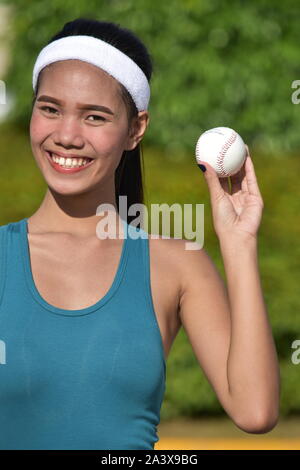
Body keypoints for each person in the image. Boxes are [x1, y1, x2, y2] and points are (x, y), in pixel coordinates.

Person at [0, 17, 280, 451]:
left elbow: (255, 411)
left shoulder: (177, 263)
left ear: (136, 129)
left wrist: (239, 244)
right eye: (50, 109)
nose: (67, 136)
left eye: (95, 116)